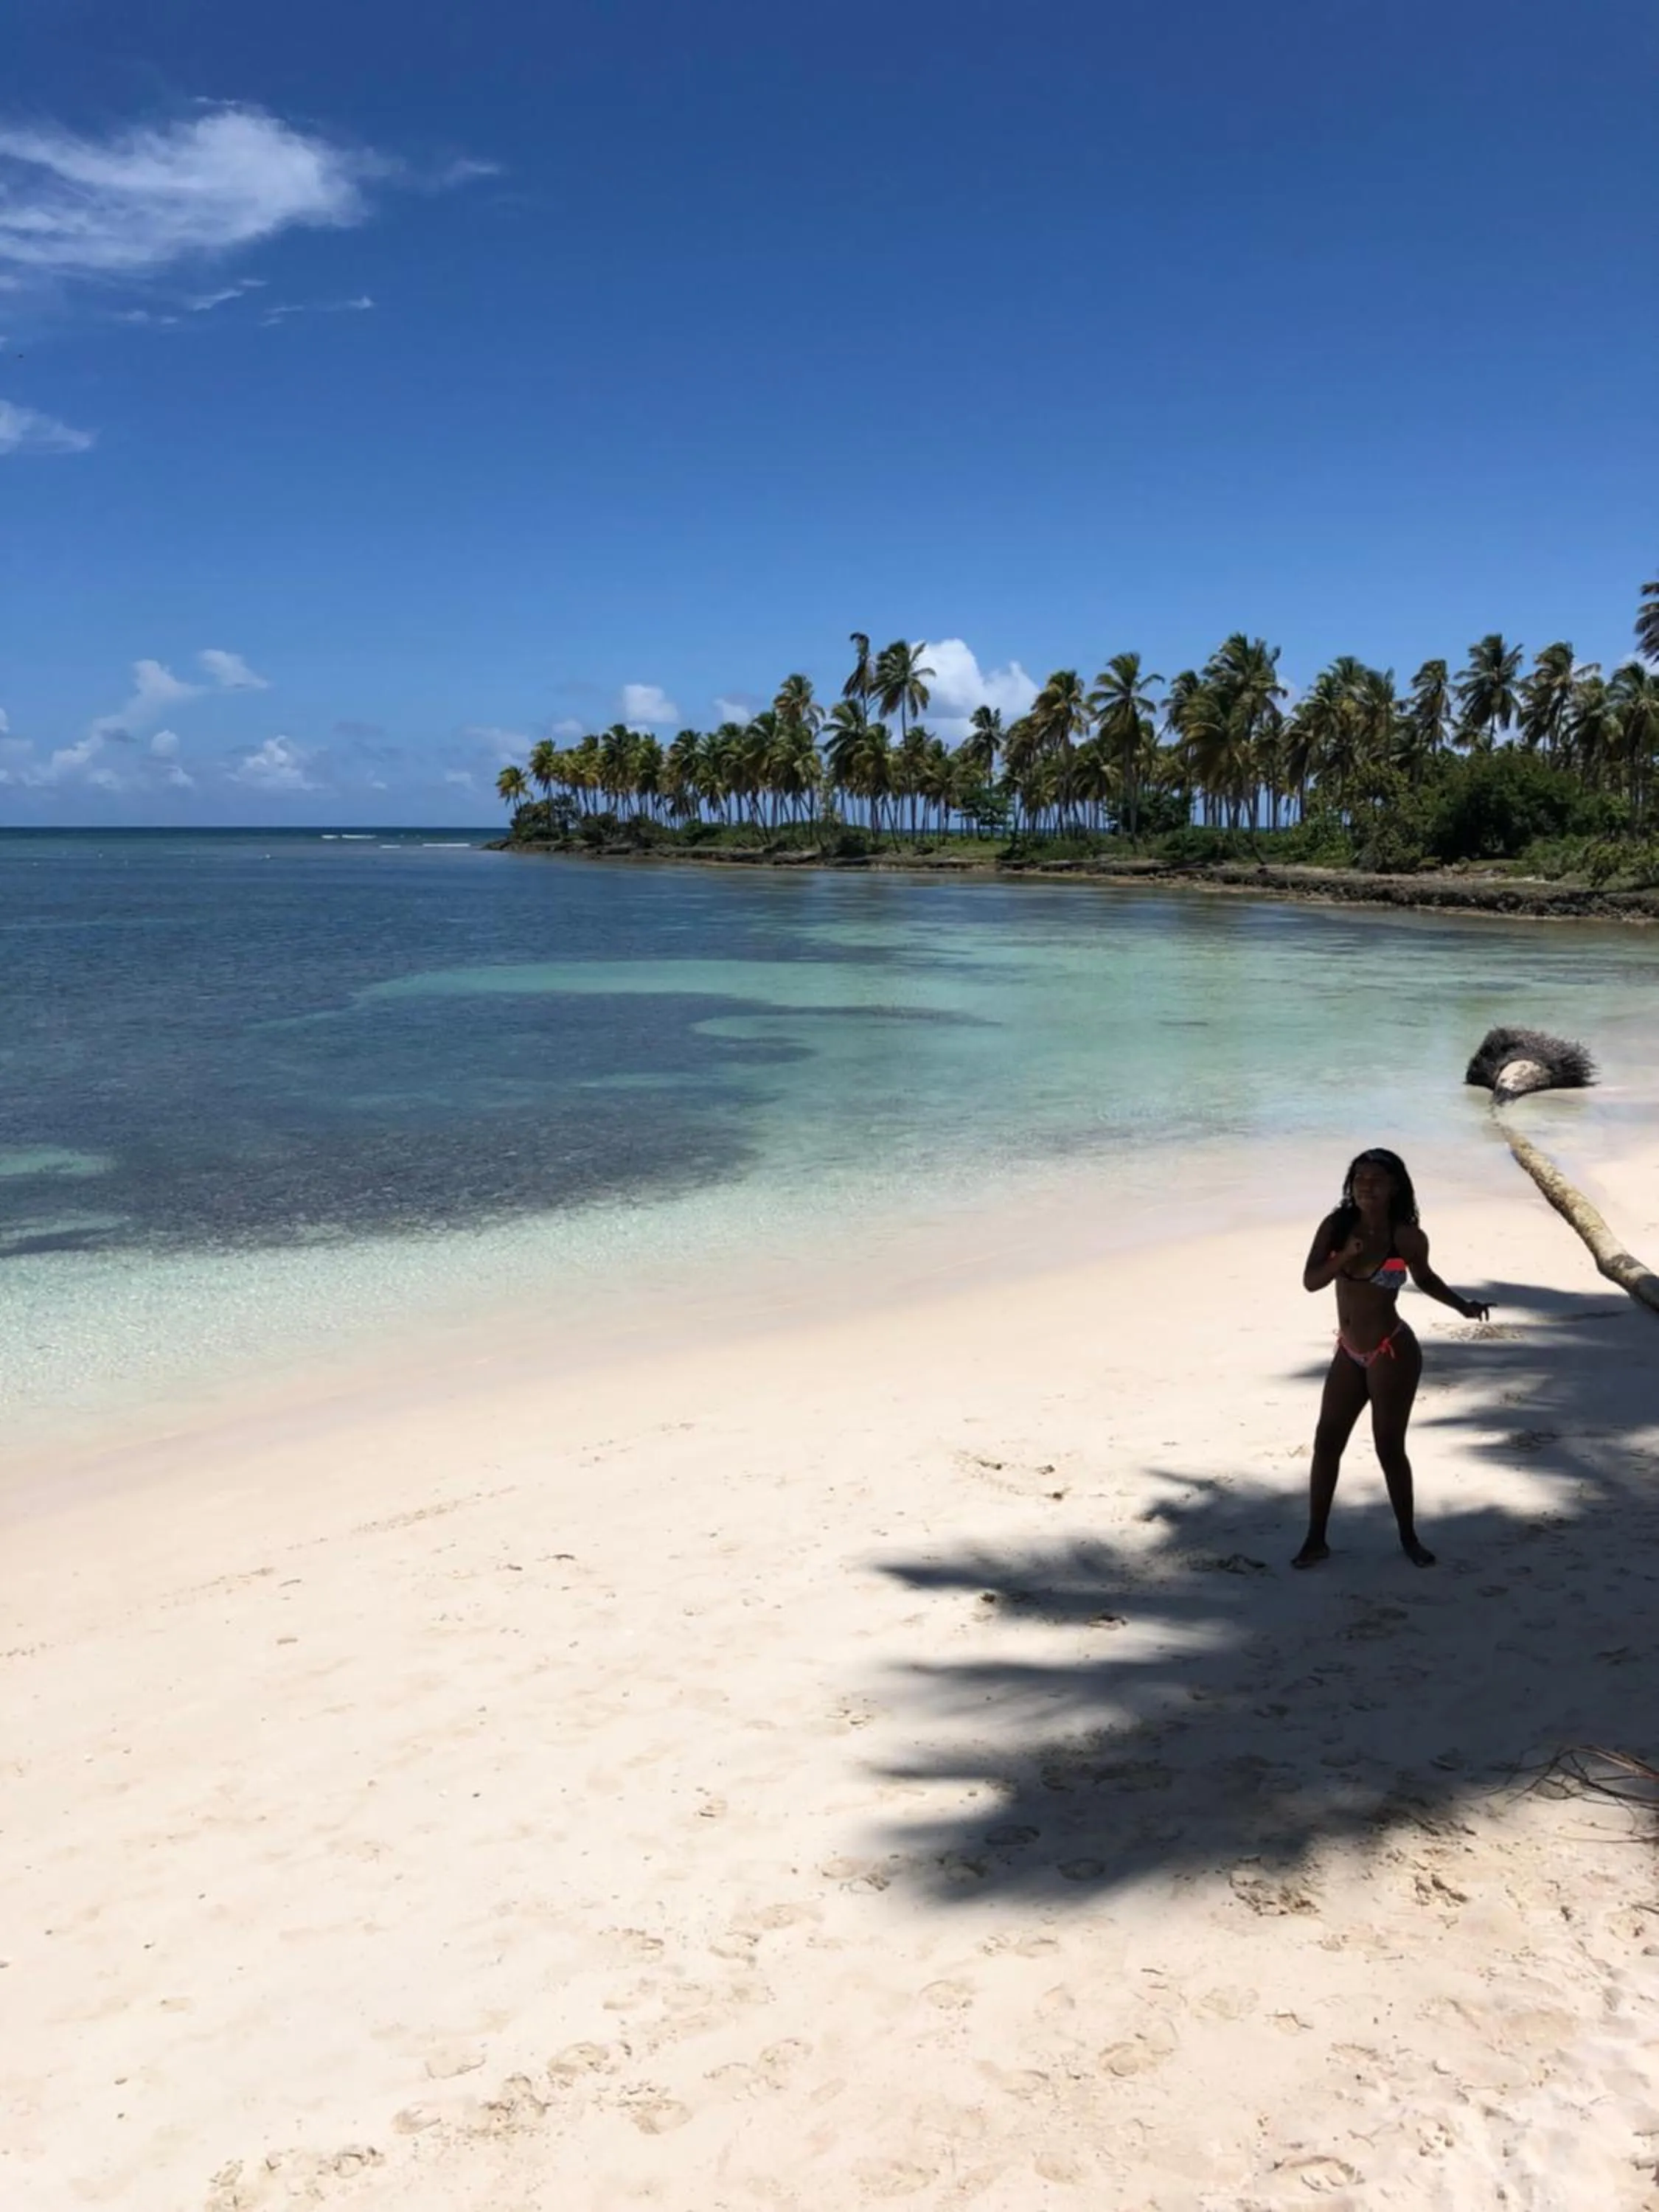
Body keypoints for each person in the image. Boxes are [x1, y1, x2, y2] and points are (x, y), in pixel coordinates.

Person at [1295, 1148, 1489, 1570]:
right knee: (1327, 1443)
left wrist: (1463, 1306)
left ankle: (1409, 1538)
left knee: (1388, 1447)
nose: (1366, 1185)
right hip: (1348, 1351)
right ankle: (1315, 1539)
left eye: (1376, 1180)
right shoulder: (1336, 1227)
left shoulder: (1405, 1239)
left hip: (1391, 1351)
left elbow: (1425, 1278)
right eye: (1359, 1177)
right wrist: (1344, 1255)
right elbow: (1311, 1281)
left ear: (1395, 1187)